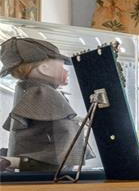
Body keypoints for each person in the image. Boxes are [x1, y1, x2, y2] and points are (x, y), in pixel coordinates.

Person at [0, 37, 91, 172]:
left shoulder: (26, 90)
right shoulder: (42, 92)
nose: (66, 71)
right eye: (61, 66)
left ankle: (12, 161)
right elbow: (65, 129)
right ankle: (13, 161)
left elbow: (55, 120)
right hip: (48, 165)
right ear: (44, 69)